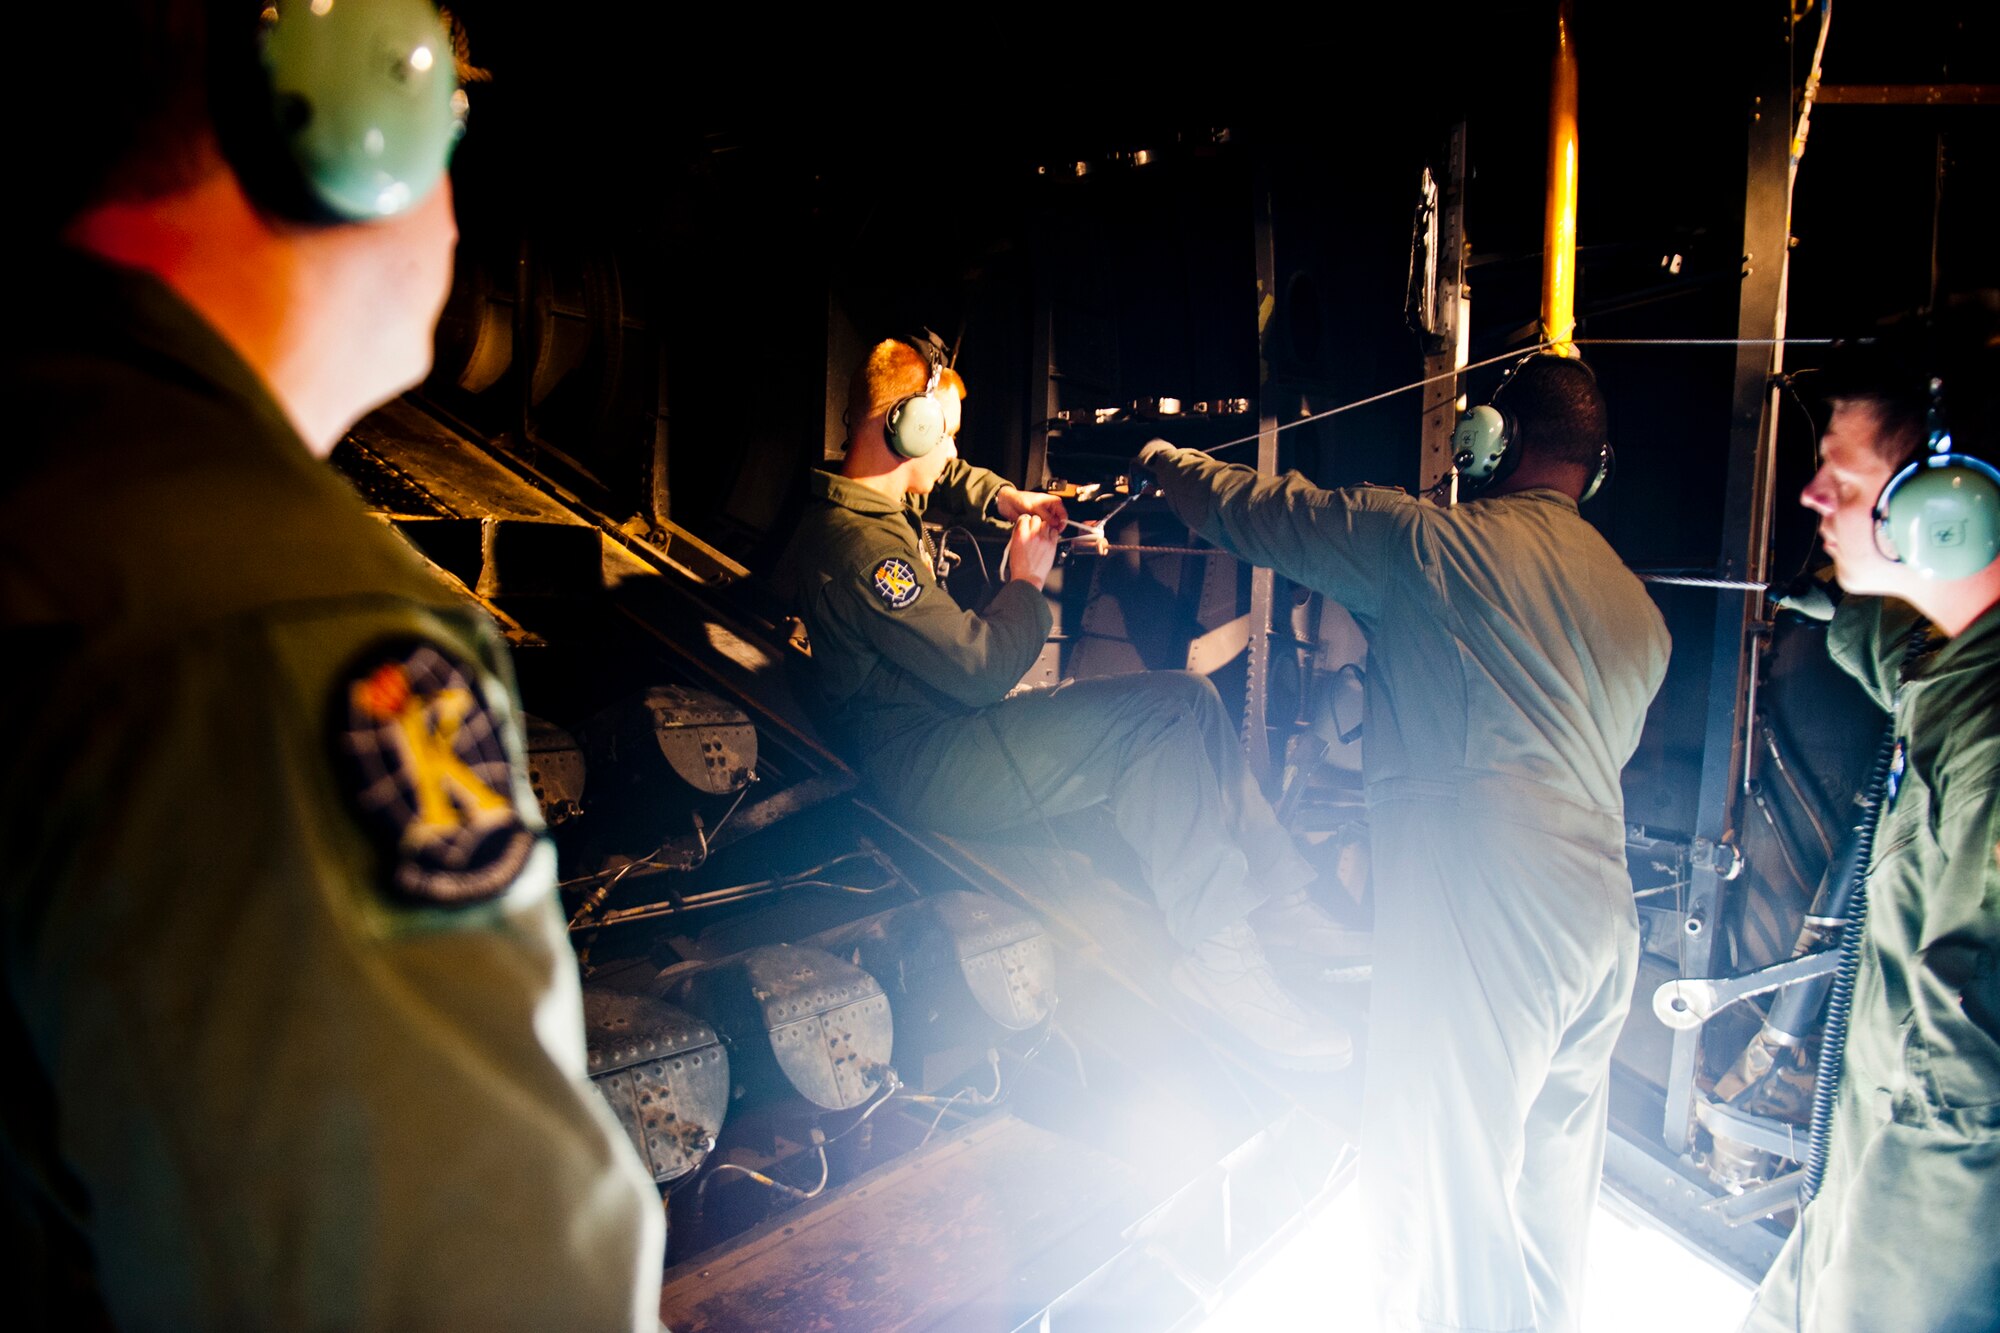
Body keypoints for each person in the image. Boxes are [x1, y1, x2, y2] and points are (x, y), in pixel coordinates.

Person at [0, 2, 664, 1327]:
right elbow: (474, 1281)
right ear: (347, 124)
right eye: (448, 135)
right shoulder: (277, 624)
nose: (458, 213)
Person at [1139, 352, 1671, 1333]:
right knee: (1543, 1216)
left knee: (1434, 1202)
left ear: (1485, 443)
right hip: (1603, 927)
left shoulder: (1431, 546)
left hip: (1486, 912)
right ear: (1594, 471)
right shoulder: (1640, 614)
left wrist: (1166, 460)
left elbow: (1265, 511)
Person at [774, 333, 1354, 1071]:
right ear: (902, 428)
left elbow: (947, 481)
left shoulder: (867, 491)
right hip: (930, 763)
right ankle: (1219, 962)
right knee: (1163, 721)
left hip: (951, 729)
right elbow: (981, 664)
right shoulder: (863, 552)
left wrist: (1006, 498)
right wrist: (1024, 580)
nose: (952, 452)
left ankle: (1278, 904)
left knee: (1194, 697)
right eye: (944, 434)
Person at [1741, 312, 2000, 1332]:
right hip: (1851, 1198)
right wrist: (1837, 613)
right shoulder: (1953, 672)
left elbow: (1966, 1099)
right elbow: (1901, 663)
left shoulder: (1986, 749)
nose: (1809, 497)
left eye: (1839, 481)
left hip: (1905, 1253)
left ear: (1947, 514)